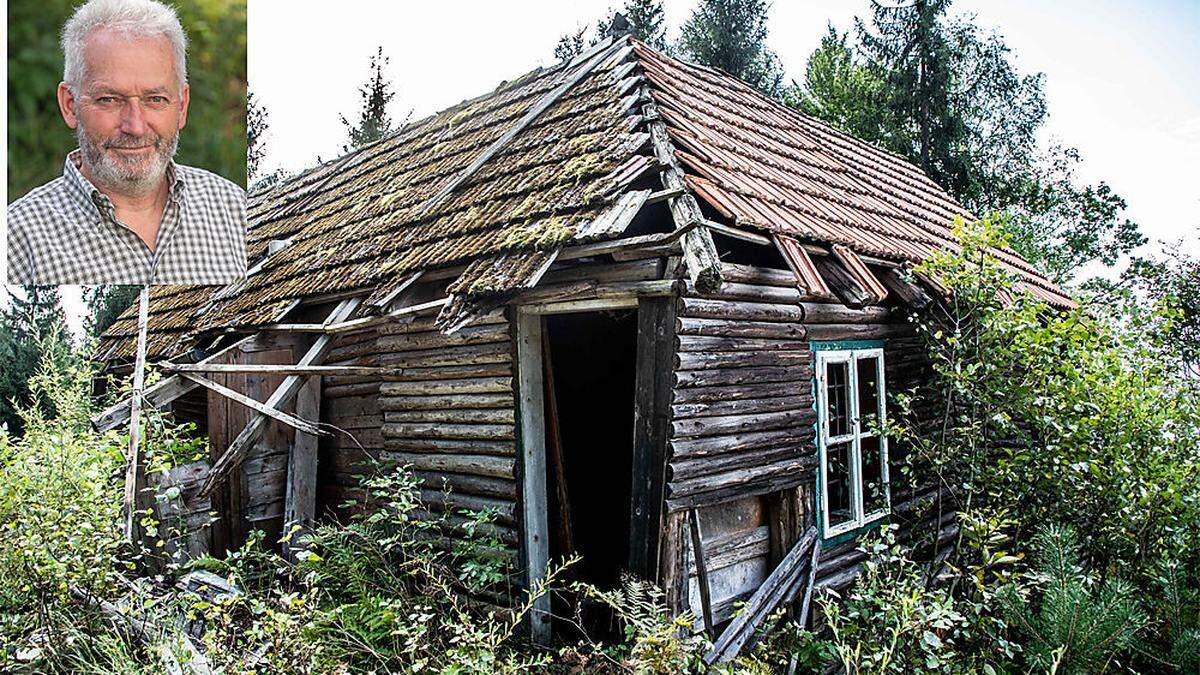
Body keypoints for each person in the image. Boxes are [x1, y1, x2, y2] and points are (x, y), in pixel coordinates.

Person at [6, 0, 246, 285]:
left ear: (182, 106)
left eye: (155, 100)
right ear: (70, 105)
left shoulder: (236, 210)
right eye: (109, 100)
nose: (135, 126)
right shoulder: (16, 240)